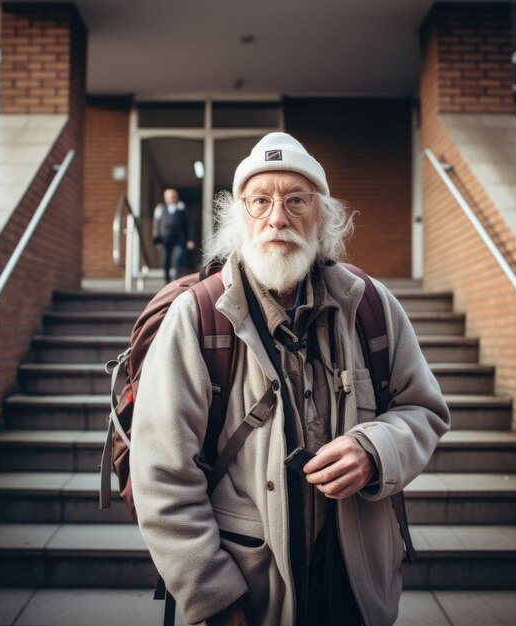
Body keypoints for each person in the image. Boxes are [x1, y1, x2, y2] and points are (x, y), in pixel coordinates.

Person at [131, 133, 450, 626]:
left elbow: (424, 410)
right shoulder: (196, 318)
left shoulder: (371, 304)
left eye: (295, 201)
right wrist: (211, 594)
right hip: (246, 591)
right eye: (260, 202)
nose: (277, 218)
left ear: (322, 218)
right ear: (240, 218)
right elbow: (161, 474)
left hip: (355, 588)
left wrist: (374, 450)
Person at [152, 188, 195, 282]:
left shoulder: (182, 208)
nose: (172, 198)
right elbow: (156, 224)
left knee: (178, 258)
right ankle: (166, 280)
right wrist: (157, 240)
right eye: (170, 196)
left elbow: (188, 224)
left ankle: (176, 280)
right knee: (165, 261)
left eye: (173, 196)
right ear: (165, 198)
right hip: (165, 239)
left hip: (179, 239)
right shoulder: (160, 208)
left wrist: (190, 239)